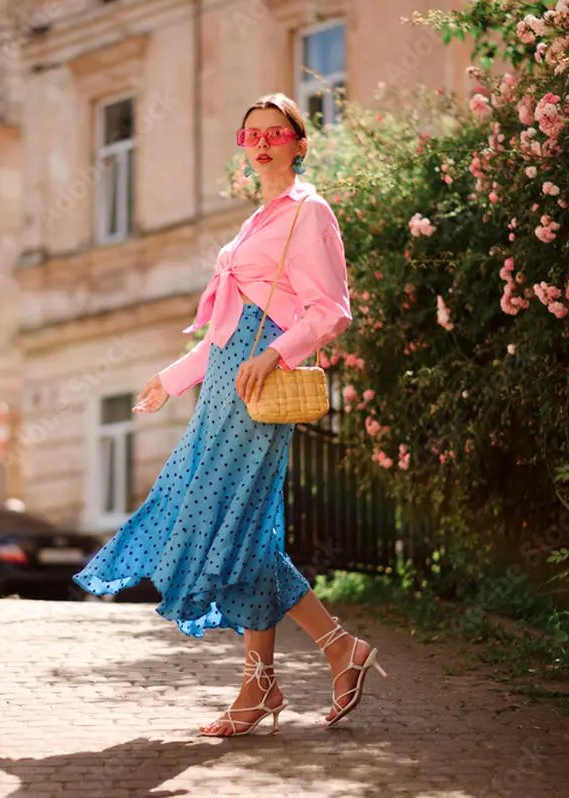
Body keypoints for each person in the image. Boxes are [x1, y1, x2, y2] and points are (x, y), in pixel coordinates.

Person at [72, 93, 388, 737]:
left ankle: (316, 658)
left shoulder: (310, 213)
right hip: (224, 387)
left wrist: (274, 355)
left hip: (257, 389)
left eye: (277, 133)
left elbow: (330, 311)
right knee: (247, 531)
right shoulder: (257, 221)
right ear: (243, 148)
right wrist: (172, 376)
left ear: (300, 143)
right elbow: (221, 334)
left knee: (225, 524)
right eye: (252, 135)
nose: (264, 142)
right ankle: (282, 675)